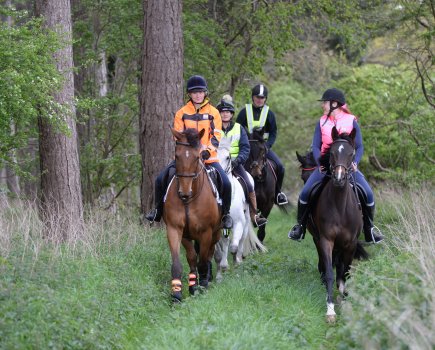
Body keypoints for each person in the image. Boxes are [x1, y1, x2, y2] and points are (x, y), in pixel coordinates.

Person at [287, 88, 384, 243]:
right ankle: (300, 227)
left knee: (368, 193)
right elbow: (316, 146)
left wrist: (355, 163)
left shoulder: (351, 120)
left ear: (334, 104)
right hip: (326, 167)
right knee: (304, 194)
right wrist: (320, 163)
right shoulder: (321, 121)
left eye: (324, 103)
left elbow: (359, 147)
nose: (323, 106)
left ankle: (369, 228)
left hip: (348, 167)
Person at [145, 75, 233, 229]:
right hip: (185, 159)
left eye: (200, 92)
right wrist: (188, 152)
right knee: (160, 179)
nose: (198, 94)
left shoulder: (214, 112)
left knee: (226, 183)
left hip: (209, 158)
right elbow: (177, 135)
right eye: (194, 92)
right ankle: (157, 212)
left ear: (205, 93)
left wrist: (207, 150)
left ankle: (226, 215)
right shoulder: (182, 113)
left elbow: (216, 135)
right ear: (189, 94)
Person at [217, 95, 268, 227]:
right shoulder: (213, 128)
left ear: (232, 114)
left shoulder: (239, 128)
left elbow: (245, 148)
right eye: (222, 112)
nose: (225, 114)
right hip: (217, 163)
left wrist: (238, 160)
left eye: (227, 112)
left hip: (235, 163)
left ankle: (254, 215)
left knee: (249, 184)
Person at [236, 84, 288, 206]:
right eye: (257, 97)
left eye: (262, 97)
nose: (260, 100)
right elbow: (237, 129)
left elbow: (274, 132)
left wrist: (267, 146)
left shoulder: (269, 114)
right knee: (236, 166)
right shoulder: (244, 112)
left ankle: (278, 194)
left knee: (280, 167)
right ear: (253, 97)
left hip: (262, 149)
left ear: (265, 99)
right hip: (247, 149)